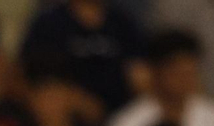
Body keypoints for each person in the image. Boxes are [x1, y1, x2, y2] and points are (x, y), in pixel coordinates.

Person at [18, 0, 146, 118]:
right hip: (67, 113)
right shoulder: (49, 23)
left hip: (120, 112)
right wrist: (74, 99)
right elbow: (27, 74)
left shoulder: (122, 21)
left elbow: (139, 70)